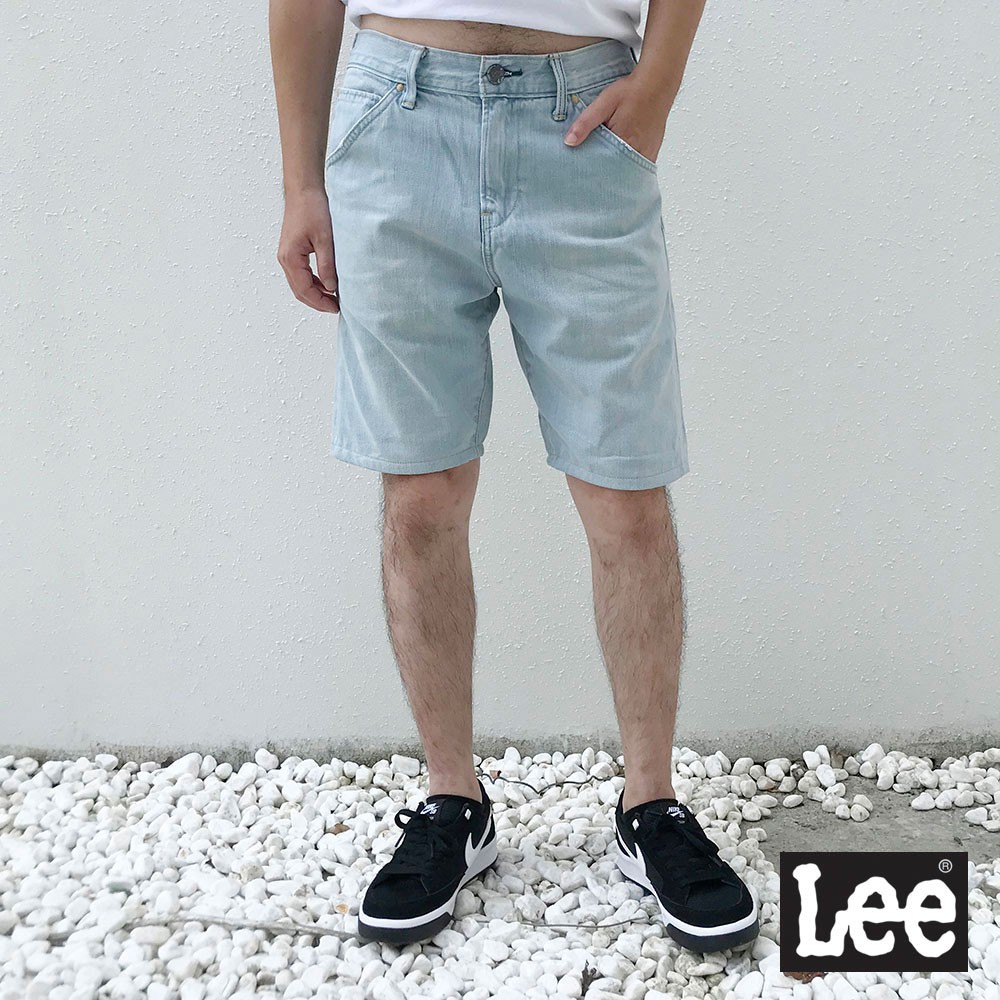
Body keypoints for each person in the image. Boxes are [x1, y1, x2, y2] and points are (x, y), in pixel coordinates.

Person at [269, 0, 759, 952]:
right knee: (421, 497)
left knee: (625, 496)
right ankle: (452, 801)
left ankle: (650, 805)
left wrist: (657, 87)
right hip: (398, 118)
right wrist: (300, 183)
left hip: (583, 119)